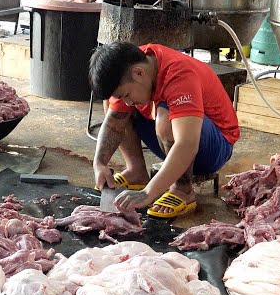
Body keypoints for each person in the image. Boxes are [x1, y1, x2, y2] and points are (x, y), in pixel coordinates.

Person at [88, 41, 239, 219]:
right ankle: (136, 171)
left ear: (139, 73)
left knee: (164, 117)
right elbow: (113, 123)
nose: (128, 101)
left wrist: (148, 193)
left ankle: (183, 190)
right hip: (181, 139)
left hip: (214, 147)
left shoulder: (179, 74)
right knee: (116, 106)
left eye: (127, 94)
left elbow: (187, 144)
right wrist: (99, 163)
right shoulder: (133, 65)